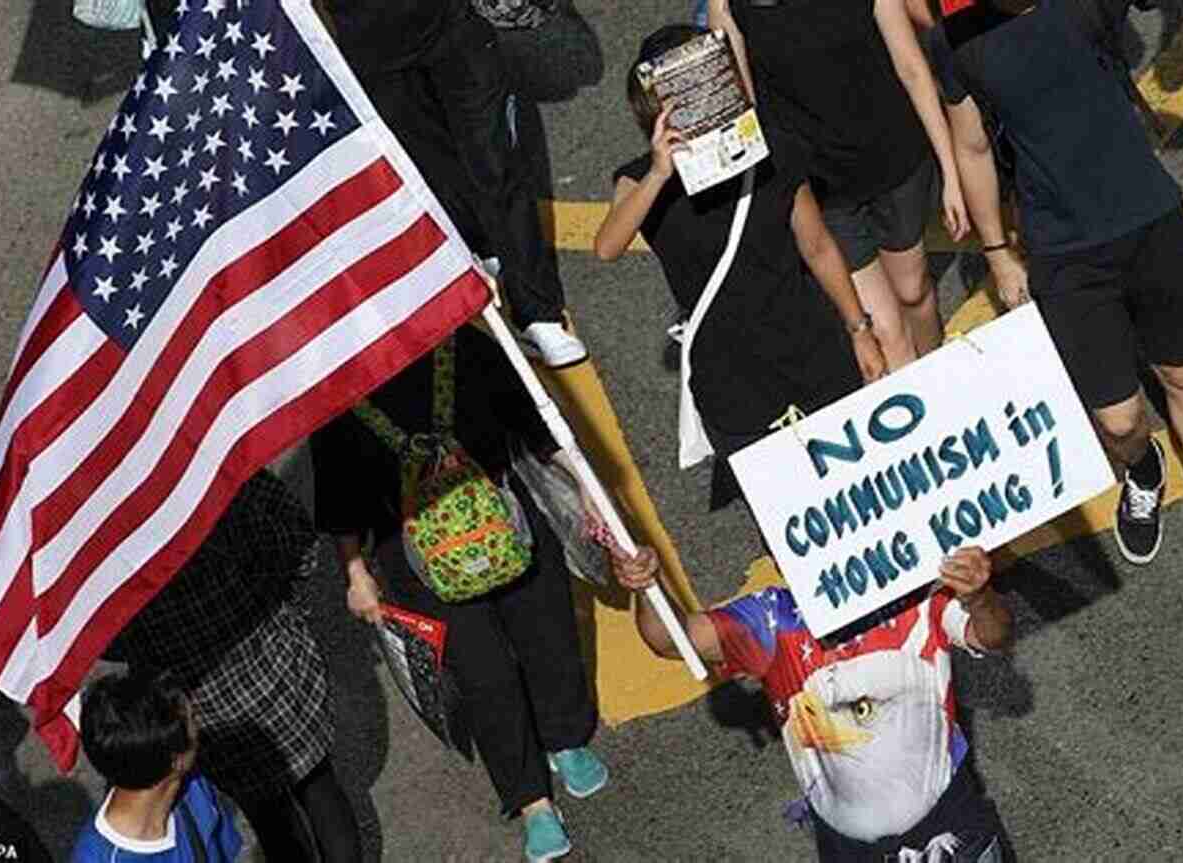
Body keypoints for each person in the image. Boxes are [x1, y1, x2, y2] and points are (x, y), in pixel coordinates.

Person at [929, 0, 1183, 587]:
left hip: (1150, 217)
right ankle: (1144, 467)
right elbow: (974, 149)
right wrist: (999, 254)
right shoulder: (959, 42)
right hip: (1063, 251)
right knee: (1117, 419)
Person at [311, 324, 608, 863]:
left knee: (548, 633)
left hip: (505, 513)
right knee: (483, 674)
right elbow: (341, 498)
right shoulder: (337, 398)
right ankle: (531, 800)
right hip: (413, 551)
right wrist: (355, 572)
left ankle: (565, 737)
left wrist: (584, 483)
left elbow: (530, 418)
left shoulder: (462, 342)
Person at [595, 25, 886, 511]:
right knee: (787, 510)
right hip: (732, 377)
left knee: (864, 487)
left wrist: (860, 330)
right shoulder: (640, 180)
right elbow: (607, 246)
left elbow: (817, 246)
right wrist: (660, 170)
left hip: (812, 347)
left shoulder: (775, 150)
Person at [612, 543, 1014, 861]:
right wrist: (650, 588)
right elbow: (672, 640)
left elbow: (990, 635)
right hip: (850, 848)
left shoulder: (920, 597)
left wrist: (979, 598)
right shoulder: (774, 618)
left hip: (955, 822)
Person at [106, 471, 363, 861]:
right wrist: (285, 604)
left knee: (269, 818)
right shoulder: (216, 472)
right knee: (319, 783)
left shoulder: (106, 545)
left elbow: (110, 641)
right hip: (278, 667)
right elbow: (296, 542)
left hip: (204, 712)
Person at [320, 0, 588, 368]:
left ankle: (537, 313)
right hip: (371, 44)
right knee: (431, 160)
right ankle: (484, 244)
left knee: (495, 161)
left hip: (457, 22)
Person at [708, 0, 970, 370]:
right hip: (821, 189)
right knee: (885, 330)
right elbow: (740, 109)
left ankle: (937, 369)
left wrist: (952, 175)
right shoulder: (729, 8)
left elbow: (912, 69)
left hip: (896, 164)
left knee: (914, 294)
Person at [70, 672, 242, 862]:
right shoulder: (101, 858)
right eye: (192, 719)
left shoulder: (195, 787)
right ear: (176, 760)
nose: (199, 726)